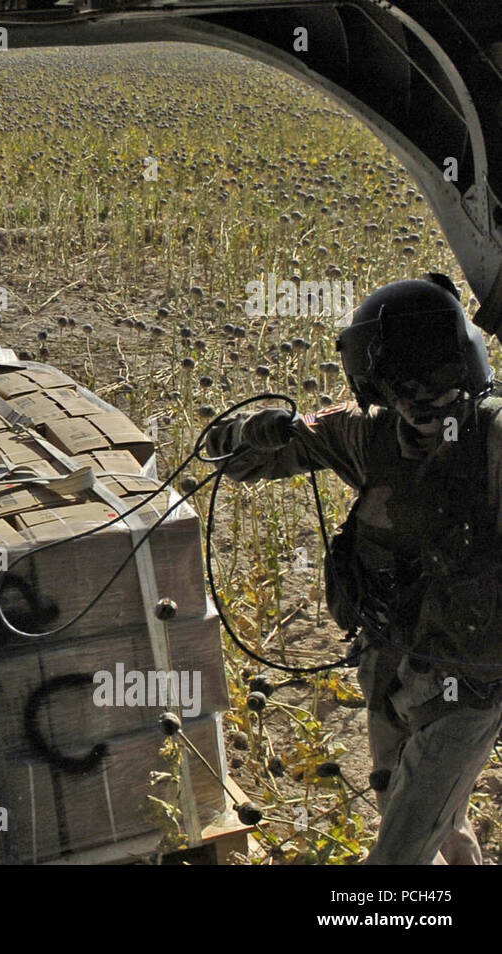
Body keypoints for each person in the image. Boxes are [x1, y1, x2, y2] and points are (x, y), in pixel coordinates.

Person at [205, 272, 502, 865]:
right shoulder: (366, 436)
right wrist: (247, 433)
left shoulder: (493, 438)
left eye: (439, 384)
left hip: (466, 688)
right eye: (404, 389)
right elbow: (233, 460)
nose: (424, 403)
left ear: (465, 369)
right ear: (379, 389)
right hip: (390, 668)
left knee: (394, 861)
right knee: (434, 823)